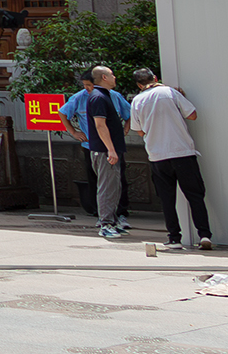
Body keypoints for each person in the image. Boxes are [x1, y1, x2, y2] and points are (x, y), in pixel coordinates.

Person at [129, 67, 212, 250]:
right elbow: (192, 115)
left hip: (157, 156)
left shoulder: (137, 101)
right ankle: (204, 235)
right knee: (195, 196)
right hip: (182, 152)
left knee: (167, 199)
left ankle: (174, 238)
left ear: (139, 85)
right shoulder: (170, 92)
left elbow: (140, 130)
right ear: (155, 78)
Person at [63, 66, 132, 239]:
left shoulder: (107, 95)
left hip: (109, 149)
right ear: (104, 77)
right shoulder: (98, 97)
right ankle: (106, 224)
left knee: (114, 185)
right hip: (103, 150)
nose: (115, 77)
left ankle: (113, 221)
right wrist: (110, 149)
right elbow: (100, 125)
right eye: (112, 74)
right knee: (106, 186)